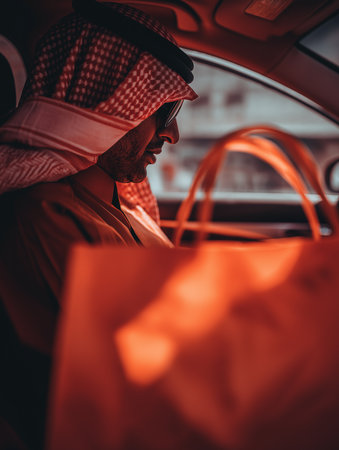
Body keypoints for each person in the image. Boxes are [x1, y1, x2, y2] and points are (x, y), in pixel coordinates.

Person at [0, 1, 197, 448]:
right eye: (161, 112)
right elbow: (149, 366)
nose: (171, 135)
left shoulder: (123, 203)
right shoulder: (47, 216)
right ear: (104, 101)